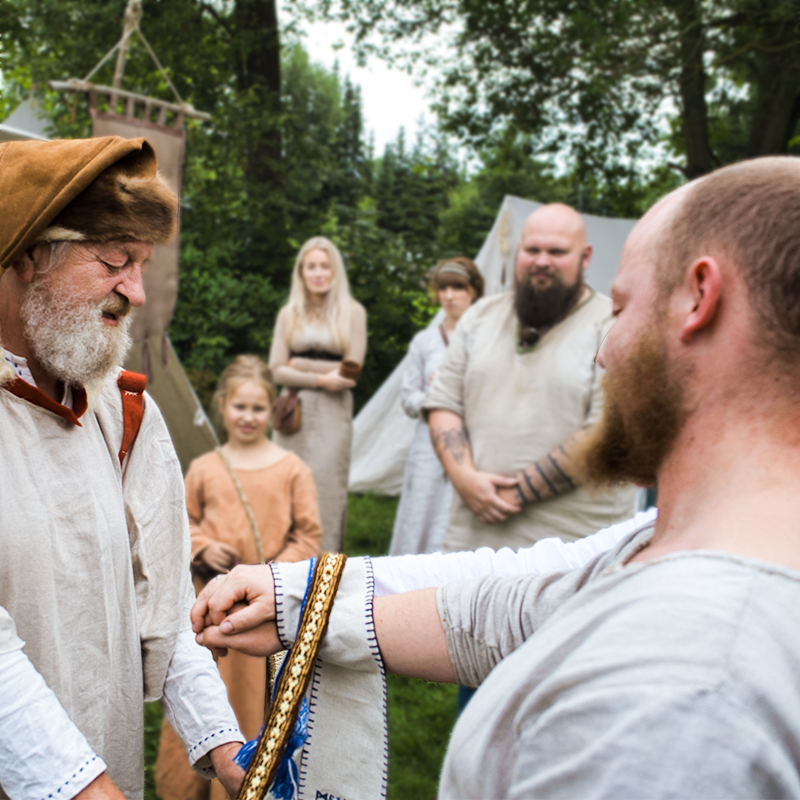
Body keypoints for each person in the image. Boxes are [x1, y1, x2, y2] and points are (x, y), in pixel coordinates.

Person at [196, 156, 800, 798]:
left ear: (699, 296)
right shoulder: (668, 540)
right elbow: (516, 600)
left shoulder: (690, 693)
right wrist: (300, 597)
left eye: (622, 308)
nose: (604, 352)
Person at [0, 137, 245, 800]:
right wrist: (82, 788)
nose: (133, 290)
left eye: (141, 264)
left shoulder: (123, 408)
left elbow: (165, 596)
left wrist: (225, 745)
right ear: (27, 254)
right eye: (114, 260)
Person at [425, 203, 637, 553]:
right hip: (471, 544)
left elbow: (607, 429)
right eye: (532, 250)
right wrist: (464, 478)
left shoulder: (615, 325)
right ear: (518, 251)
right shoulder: (480, 316)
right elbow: (443, 402)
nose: (542, 261)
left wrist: (512, 494)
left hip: (572, 553)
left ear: (585, 257)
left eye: (556, 252)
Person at [155, 355, 321, 800]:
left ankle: (251, 777)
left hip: (265, 614)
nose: (248, 417)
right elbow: (182, 523)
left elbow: (308, 536)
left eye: (258, 408)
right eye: (240, 407)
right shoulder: (205, 468)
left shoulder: (292, 470)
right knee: (204, 691)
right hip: (212, 610)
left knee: (253, 700)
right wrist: (204, 546)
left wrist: (272, 575)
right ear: (222, 406)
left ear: (272, 410)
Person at [269, 237, 367, 552]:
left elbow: (351, 371)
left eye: (325, 266)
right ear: (301, 272)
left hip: (332, 413)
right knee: (286, 489)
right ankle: (281, 571)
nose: (318, 273)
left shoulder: (353, 312)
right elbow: (276, 370)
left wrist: (300, 364)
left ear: (335, 271)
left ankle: (325, 574)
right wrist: (322, 378)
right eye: (311, 266)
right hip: (292, 411)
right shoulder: (289, 314)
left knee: (327, 491)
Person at [389, 258, 484, 556]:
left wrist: (460, 389)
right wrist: (435, 397)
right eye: (443, 288)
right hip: (427, 443)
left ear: (473, 291)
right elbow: (408, 397)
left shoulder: (487, 338)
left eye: (458, 287)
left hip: (474, 441)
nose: (449, 296)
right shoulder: (424, 341)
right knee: (421, 512)